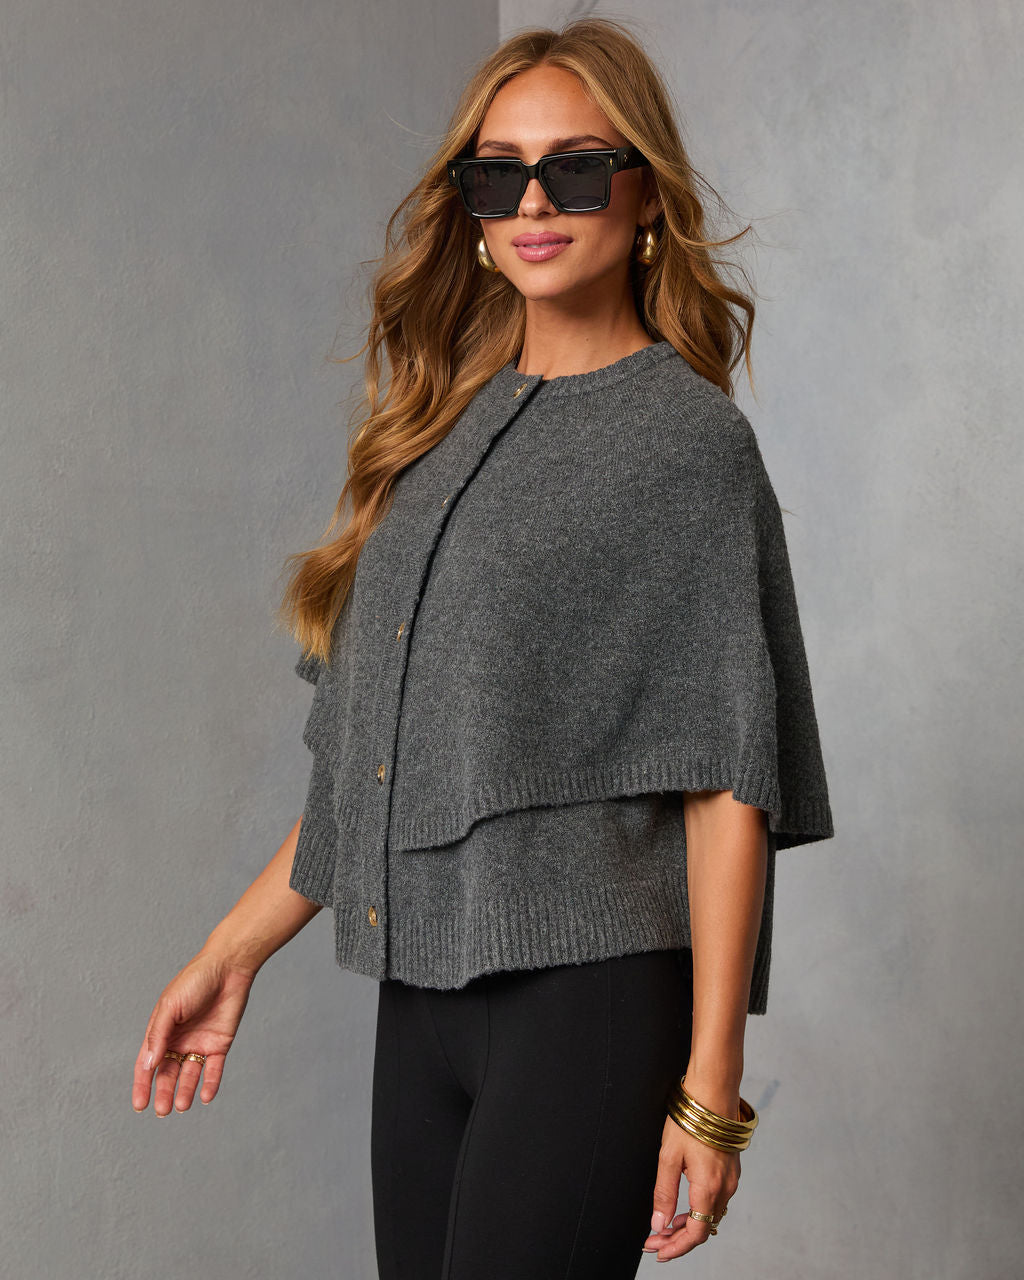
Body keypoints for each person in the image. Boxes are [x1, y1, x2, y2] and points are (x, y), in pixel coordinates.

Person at [131, 17, 834, 1278]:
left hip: (589, 999)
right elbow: (377, 769)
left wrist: (709, 1085)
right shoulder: (437, 432)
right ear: (468, 209)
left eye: (576, 168)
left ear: (645, 194)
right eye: (497, 174)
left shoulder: (684, 444)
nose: (534, 203)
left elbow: (727, 778)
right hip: (422, 1001)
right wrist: (230, 952)